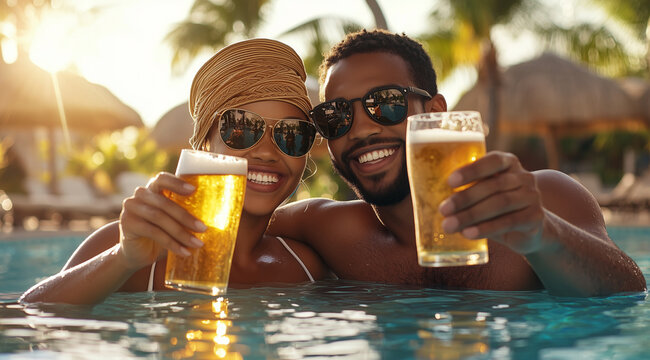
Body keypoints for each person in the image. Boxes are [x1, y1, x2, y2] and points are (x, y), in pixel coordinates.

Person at [268, 29, 646, 297]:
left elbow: (629, 289)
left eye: (386, 103)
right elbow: (235, 227)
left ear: (435, 112)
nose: (361, 129)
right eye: (335, 116)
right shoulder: (328, 231)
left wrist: (543, 235)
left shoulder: (545, 198)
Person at [20, 38, 331, 305]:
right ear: (205, 145)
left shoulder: (305, 267)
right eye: (242, 128)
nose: (266, 151)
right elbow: (31, 319)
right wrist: (123, 260)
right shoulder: (126, 248)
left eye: (293, 134)